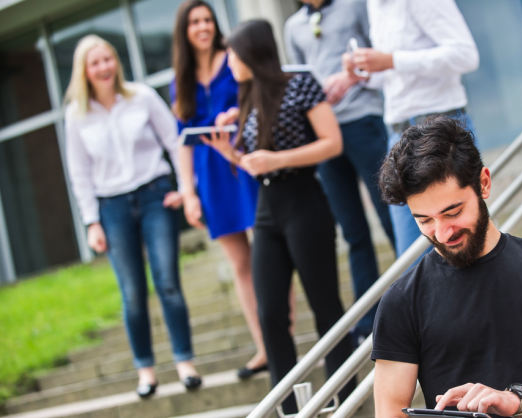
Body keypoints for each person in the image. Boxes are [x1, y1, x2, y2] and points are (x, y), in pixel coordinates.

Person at [372, 117, 522, 417]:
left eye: (453, 212)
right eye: (425, 221)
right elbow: (390, 412)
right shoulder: (402, 302)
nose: (443, 232)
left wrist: (515, 399)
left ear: (483, 183)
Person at [200, 19, 355, 414]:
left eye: (232, 53)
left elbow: (332, 143)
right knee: (270, 312)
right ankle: (287, 408)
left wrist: (277, 159)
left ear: (251, 53)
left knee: (325, 306)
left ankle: (345, 398)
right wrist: (229, 154)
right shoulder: (247, 95)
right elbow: (258, 164)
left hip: (305, 202)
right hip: (267, 210)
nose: (228, 61)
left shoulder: (300, 84)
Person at [64, 35, 201, 398]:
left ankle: (185, 362)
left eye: (108, 58)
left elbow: (176, 140)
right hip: (111, 207)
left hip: (154, 194)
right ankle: (146, 371)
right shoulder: (76, 116)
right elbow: (79, 172)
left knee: (167, 282)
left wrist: (186, 188)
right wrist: (91, 221)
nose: (104, 67)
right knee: (132, 293)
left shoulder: (140, 96)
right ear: (85, 72)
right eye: (95, 63)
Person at [170, 0, 277, 379]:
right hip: (210, 173)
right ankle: (263, 346)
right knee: (240, 263)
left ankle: (282, 336)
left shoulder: (234, 58)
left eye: (208, 20)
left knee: (268, 254)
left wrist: (237, 117)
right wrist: (189, 193)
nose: (202, 27)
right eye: (195, 21)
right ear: (184, 30)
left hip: (245, 161)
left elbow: (261, 98)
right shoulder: (178, 79)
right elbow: (182, 141)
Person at [284, 0, 394, 346]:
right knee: (353, 232)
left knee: (392, 213)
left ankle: (425, 294)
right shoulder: (293, 27)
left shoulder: (354, 7)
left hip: (363, 119)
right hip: (324, 135)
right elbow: (299, 79)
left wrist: (349, 77)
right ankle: (368, 321)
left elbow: (378, 54)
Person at [342, 0, 479, 256]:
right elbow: (394, 77)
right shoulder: (374, 5)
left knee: (462, 246)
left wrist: (392, 60)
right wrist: (365, 72)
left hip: (440, 130)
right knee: (411, 256)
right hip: (398, 134)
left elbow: (466, 55)